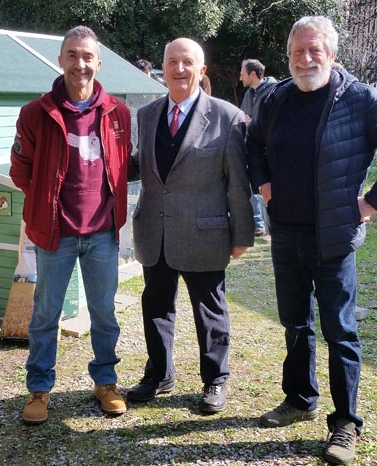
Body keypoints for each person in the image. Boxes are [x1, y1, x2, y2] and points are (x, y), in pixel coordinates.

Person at [247, 16, 377, 465]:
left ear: (332, 54)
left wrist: (370, 204)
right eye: (297, 52)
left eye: (314, 50)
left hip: (334, 238)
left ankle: (345, 423)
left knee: (340, 331)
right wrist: (263, 186)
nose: (305, 59)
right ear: (288, 56)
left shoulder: (360, 99)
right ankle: (300, 399)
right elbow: (254, 145)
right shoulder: (276, 97)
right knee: (295, 323)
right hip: (286, 232)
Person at [9, 25, 132, 424]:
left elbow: (121, 169)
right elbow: (20, 171)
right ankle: (39, 390)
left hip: (101, 233)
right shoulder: (36, 113)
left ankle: (106, 382)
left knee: (104, 312)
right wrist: (47, 205)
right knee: (46, 313)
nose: (80, 63)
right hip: (55, 234)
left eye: (87, 56)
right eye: (72, 55)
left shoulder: (117, 112)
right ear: (61, 60)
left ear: (99, 61)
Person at [127, 38, 254, 414]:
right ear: (161, 70)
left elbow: (237, 182)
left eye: (187, 63)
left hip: (205, 232)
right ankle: (159, 374)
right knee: (156, 306)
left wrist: (242, 233)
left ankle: (215, 378)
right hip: (155, 230)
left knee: (209, 312)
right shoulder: (147, 115)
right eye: (171, 62)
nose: (178, 69)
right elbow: (139, 164)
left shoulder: (226, 116)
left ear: (202, 71)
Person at [239, 59, 278, 237]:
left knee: (268, 187)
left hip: (270, 150)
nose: (240, 77)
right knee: (254, 184)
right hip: (252, 148)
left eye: (242, 73)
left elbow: (274, 121)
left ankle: (271, 225)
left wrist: (251, 122)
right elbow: (244, 116)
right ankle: (259, 224)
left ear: (252, 74)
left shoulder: (275, 91)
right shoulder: (248, 94)